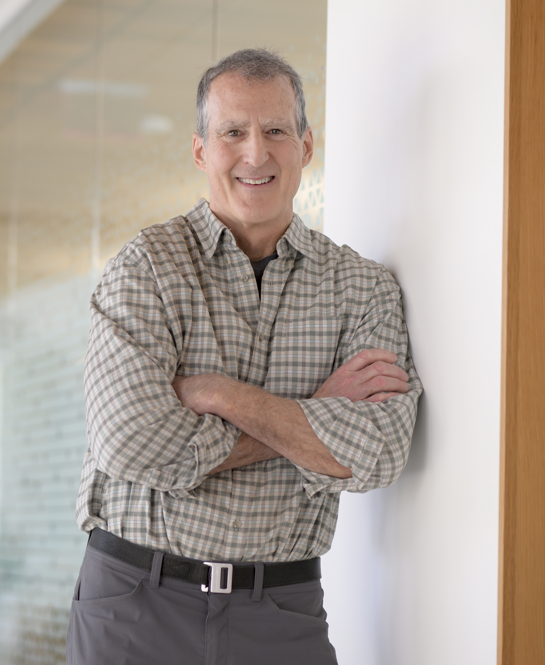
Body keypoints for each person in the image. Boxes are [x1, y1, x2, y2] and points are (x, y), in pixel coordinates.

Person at [66, 48, 422, 665]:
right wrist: (315, 414)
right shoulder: (146, 268)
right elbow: (128, 442)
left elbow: (381, 452)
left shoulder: (363, 289)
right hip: (135, 603)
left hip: (281, 613)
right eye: (233, 132)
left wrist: (221, 396)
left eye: (276, 131)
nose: (256, 154)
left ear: (307, 146)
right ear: (202, 150)